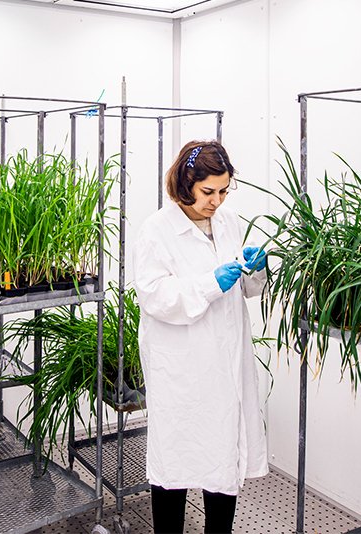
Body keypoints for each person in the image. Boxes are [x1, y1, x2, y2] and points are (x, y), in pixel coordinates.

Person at [134, 140, 269, 533]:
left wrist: (256, 269)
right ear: (186, 183)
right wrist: (211, 283)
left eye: (225, 191)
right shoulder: (157, 230)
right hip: (181, 365)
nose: (217, 201)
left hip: (225, 362)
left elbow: (248, 289)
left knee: (223, 458)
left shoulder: (228, 222)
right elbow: (155, 296)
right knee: (174, 459)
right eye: (208, 192)